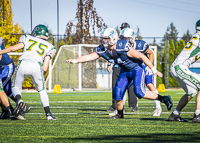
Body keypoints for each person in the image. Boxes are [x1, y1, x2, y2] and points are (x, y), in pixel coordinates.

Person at [66, 27, 173, 119]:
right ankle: (120, 115)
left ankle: (164, 98)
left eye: (106, 39)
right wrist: (76, 60)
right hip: (124, 71)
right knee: (117, 93)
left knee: (139, 92)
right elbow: (89, 57)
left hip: (136, 69)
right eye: (103, 39)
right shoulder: (103, 49)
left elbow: (142, 56)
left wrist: (153, 69)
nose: (104, 41)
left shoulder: (122, 45)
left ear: (113, 38)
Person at [0, 24, 57, 120]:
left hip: (23, 63)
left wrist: (0, 52)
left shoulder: (27, 38)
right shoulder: (50, 47)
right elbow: (45, 67)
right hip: (37, 66)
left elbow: (13, 48)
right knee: (42, 90)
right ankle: (48, 114)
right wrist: (41, 75)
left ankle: (19, 101)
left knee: (15, 87)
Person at [168, 19, 200, 123]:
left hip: (178, 67)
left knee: (191, 92)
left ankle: (175, 114)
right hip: (180, 67)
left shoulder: (196, 36)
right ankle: (198, 115)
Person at [107, 22, 138, 112]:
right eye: (122, 28)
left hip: (129, 65)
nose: (122, 29)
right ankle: (114, 105)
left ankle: (134, 105)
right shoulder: (117, 39)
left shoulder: (132, 39)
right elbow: (112, 51)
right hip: (118, 65)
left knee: (131, 85)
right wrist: (109, 63)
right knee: (115, 85)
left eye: (124, 28)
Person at [0, 36, 17, 119]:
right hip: (2, 67)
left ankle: (7, 110)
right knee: (7, 91)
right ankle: (21, 105)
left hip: (5, 66)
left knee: (0, 90)